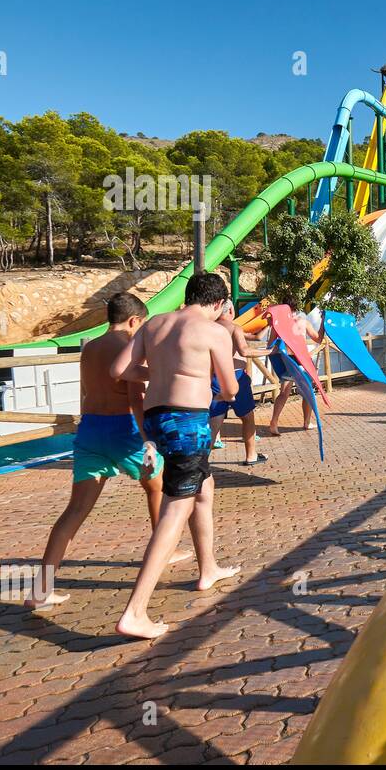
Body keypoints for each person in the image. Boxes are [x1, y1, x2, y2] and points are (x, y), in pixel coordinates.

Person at [111, 273, 242, 640]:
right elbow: (230, 388)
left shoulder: (154, 324)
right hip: (187, 422)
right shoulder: (214, 331)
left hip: (157, 418)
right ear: (218, 304)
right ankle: (134, 612)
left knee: (204, 487)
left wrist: (162, 370)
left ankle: (209, 568)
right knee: (176, 508)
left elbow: (118, 370)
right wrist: (201, 377)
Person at [27, 293, 171, 609]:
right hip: (124, 429)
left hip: (91, 429)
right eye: (141, 325)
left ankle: (40, 590)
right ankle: (165, 547)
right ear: (135, 320)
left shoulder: (89, 347)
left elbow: (85, 393)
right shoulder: (130, 347)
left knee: (74, 511)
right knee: (158, 486)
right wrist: (148, 438)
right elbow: (136, 399)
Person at [208, 300, 269, 465]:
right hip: (235, 377)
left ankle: (201, 462)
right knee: (247, 417)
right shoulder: (234, 327)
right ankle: (251, 455)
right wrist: (270, 351)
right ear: (231, 310)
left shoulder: (209, 328)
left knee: (215, 421)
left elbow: (255, 337)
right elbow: (244, 350)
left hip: (214, 378)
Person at [267, 302, 324, 436]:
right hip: (301, 360)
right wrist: (323, 323)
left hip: (287, 360)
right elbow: (318, 338)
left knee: (284, 393)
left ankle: (274, 422)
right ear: (296, 309)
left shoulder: (278, 324)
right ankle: (307, 422)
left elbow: (270, 345)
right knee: (308, 391)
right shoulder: (303, 322)